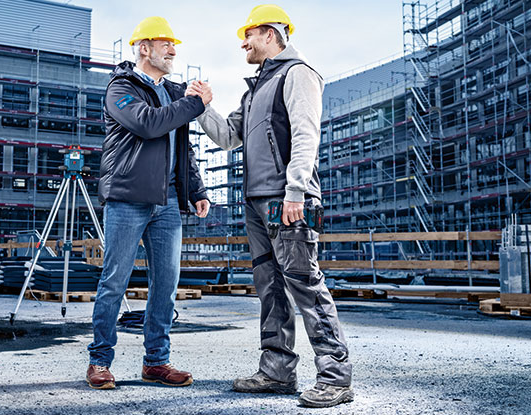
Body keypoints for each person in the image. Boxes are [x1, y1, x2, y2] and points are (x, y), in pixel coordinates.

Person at [186, 4, 354, 408]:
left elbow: (306, 134)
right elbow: (227, 137)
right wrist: (203, 105)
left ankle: (336, 377)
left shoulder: (298, 74)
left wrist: (296, 191)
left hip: (287, 200)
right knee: (270, 288)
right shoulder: (255, 88)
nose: (243, 42)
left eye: (248, 34)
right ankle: (277, 371)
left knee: (305, 284)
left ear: (270, 34)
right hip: (257, 202)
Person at [86, 16, 211, 390]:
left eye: (174, 45)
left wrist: (197, 188)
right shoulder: (120, 88)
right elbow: (149, 125)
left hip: (168, 201)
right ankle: (100, 361)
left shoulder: (174, 92)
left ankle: (156, 361)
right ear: (144, 48)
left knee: (166, 284)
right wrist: (195, 103)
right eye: (166, 44)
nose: (173, 50)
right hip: (127, 198)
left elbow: (181, 148)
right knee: (115, 281)